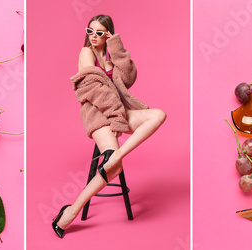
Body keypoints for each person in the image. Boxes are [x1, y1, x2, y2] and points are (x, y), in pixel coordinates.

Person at [52, 14, 167, 238]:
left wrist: (116, 47)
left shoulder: (110, 56)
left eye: (99, 33)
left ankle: (115, 156)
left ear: (107, 35)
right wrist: (116, 118)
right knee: (115, 170)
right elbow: (95, 89)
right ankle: (71, 211)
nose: (93, 37)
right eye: (90, 31)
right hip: (97, 113)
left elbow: (129, 77)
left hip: (117, 113)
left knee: (159, 114)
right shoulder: (86, 53)